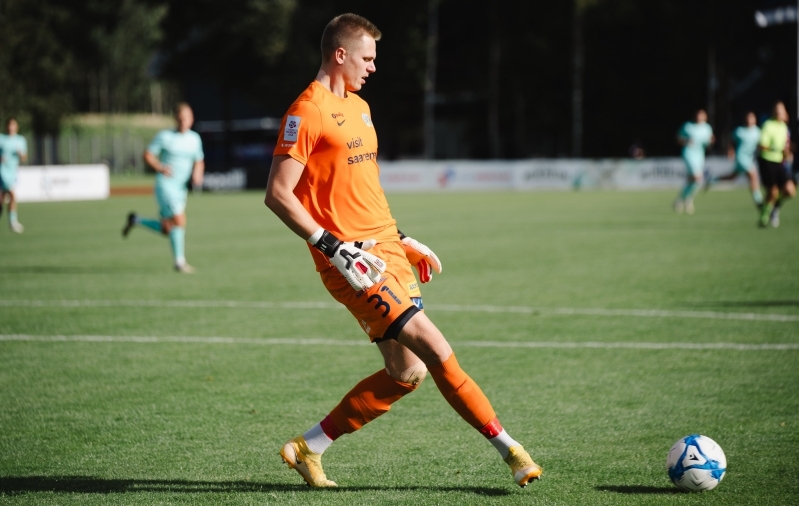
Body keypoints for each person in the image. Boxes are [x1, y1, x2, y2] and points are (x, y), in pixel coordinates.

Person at [264, 13, 542, 489]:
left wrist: (402, 238)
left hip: (384, 250)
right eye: (367, 58)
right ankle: (512, 451)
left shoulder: (361, 108)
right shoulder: (304, 112)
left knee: (406, 373)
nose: (373, 67)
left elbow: (363, 188)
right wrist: (333, 247)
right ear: (340, 54)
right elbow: (278, 193)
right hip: (351, 263)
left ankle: (309, 447)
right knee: (436, 349)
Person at [122, 103, 205, 272]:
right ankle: (179, 263)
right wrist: (160, 167)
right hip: (165, 186)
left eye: (186, 118)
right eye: (180, 119)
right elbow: (147, 154)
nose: (183, 122)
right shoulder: (165, 136)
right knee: (180, 220)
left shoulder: (195, 139)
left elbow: (199, 160)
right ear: (175, 119)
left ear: (192, 119)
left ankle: (136, 220)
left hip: (181, 189)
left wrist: (198, 173)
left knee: (168, 228)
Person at [704, 112, 763, 207]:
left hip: (750, 158)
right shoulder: (739, 131)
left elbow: (761, 144)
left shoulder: (757, 132)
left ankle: (713, 179)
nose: (749, 120)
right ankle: (758, 200)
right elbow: (730, 140)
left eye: (752, 118)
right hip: (741, 157)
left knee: (732, 177)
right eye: (748, 118)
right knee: (753, 175)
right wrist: (730, 150)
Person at [757, 101, 794, 228]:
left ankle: (774, 207)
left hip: (780, 162)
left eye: (781, 110)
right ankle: (764, 215)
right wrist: (776, 149)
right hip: (767, 161)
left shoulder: (784, 127)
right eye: (777, 110)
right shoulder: (768, 125)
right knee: (772, 192)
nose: (779, 113)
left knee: (790, 190)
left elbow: (786, 146)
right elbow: (762, 146)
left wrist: (787, 153)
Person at [674, 109, 714, 214]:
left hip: (700, 155)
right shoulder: (688, 126)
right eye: (698, 115)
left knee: (692, 180)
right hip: (689, 154)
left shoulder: (707, 128)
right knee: (697, 178)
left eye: (702, 115)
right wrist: (686, 141)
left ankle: (682, 199)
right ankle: (686, 199)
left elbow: (709, 141)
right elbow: (678, 138)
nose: (700, 117)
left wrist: (711, 141)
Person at [0, 118, 29, 233]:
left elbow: (24, 157)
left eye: (13, 125)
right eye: (9, 125)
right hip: (1, 170)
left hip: (12, 171)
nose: (11, 127)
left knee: (6, 197)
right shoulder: (1, 138)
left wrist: (20, 154)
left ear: (16, 127)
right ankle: (12, 221)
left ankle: (12, 221)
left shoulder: (20, 140)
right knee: (9, 194)